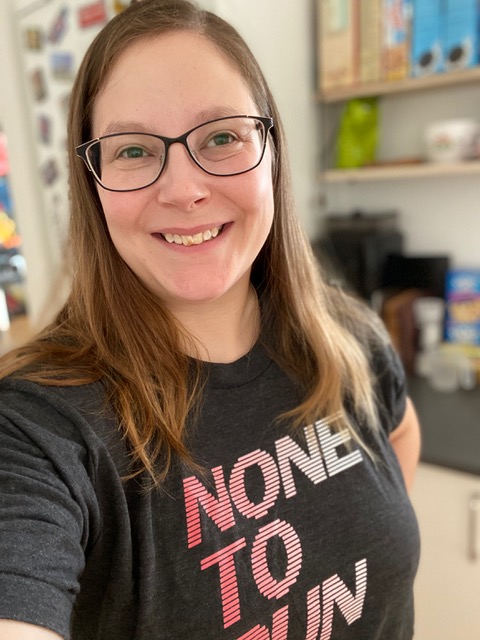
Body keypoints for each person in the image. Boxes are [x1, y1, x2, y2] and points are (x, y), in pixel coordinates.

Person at [0, 1, 421, 638]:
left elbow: (401, 434)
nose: (184, 190)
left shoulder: (347, 336)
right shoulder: (38, 427)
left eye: (221, 137)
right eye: (134, 150)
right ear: (93, 184)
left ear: (271, 150)